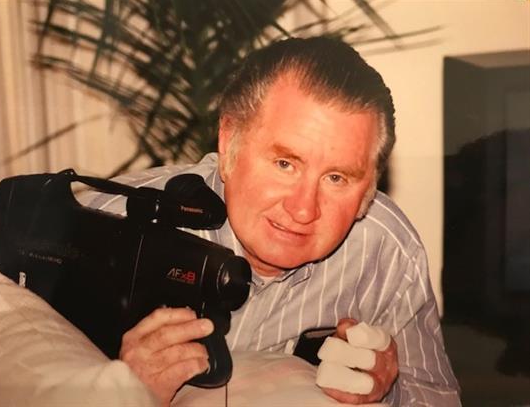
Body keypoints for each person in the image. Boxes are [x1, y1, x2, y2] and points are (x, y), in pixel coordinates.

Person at [88, 37, 461, 405]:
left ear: (368, 191)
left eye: (336, 178)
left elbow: (436, 398)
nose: (303, 210)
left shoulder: (387, 250)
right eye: (285, 164)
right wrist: (124, 393)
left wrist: (387, 390)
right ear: (228, 145)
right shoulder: (108, 221)